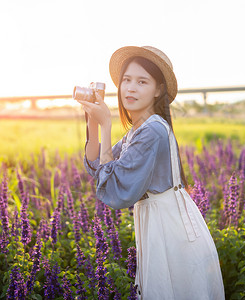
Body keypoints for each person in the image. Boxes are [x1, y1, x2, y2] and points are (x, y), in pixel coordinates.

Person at [78, 46, 225, 299]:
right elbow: (98, 168)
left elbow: (116, 189)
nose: (130, 88)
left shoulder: (152, 131)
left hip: (169, 229)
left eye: (142, 81)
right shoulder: (138, 131)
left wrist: (105, 125)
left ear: (158, 90)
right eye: (126, 80)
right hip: (160, 223)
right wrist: (92, 121)